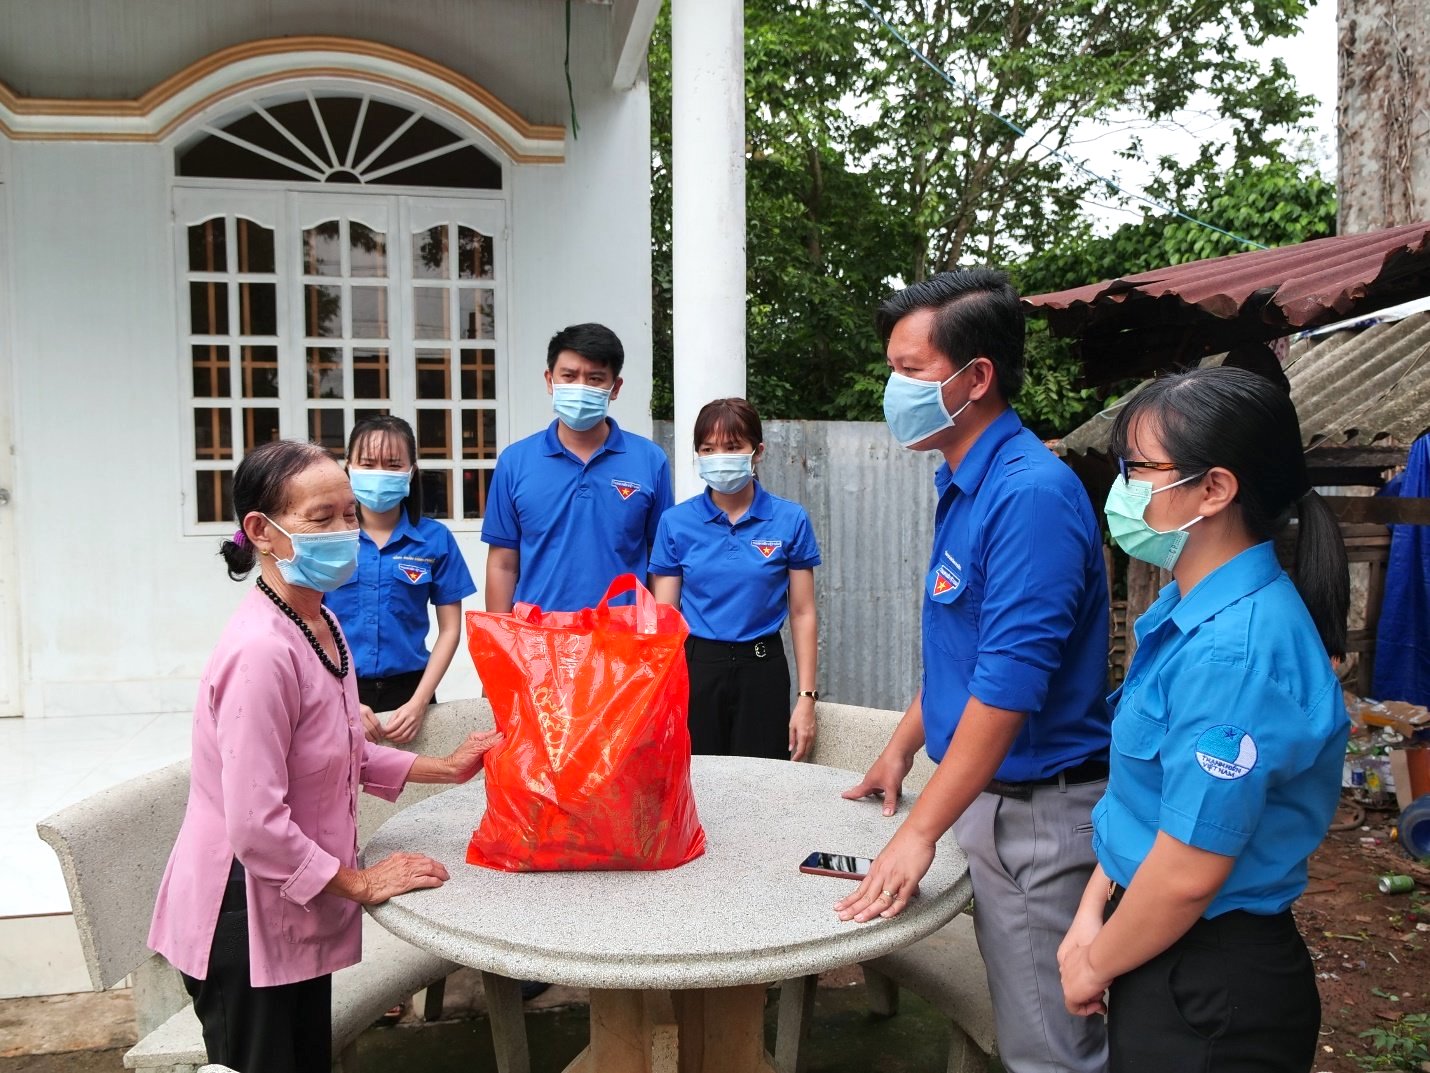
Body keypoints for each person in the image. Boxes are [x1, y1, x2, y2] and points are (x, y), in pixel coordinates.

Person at [148, 439, 503, 1073]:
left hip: (295, 899)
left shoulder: (321, 623)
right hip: (243, 912)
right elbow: (256, 826)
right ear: (262, 530)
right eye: (321, 519)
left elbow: (344, 749)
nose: (345, 533)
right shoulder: (261, 652)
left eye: (348, 515)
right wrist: (361, 884)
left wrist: (446, 769)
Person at [836, 268, 1111, 1073]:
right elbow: (964, 653)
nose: (894, 389)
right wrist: (900, 747)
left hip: (1037, 814)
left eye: (910, 369)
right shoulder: (966, 482)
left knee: (1049, 1051)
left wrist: (918, 832)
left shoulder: (1028, 495)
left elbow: (1007, 688)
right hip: (992, 801)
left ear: (976, 376)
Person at [1058, 366, 1350, 1071]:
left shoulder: (1232, 654)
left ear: (1214, 489)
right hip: (1158, 939)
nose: (1121, 487)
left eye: (1137, 468)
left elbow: (1188, 871)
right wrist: (1093, 911)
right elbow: (1146, 803)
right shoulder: (1186, 611)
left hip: (1207, 983)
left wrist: (1094, 963)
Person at [650, 398, 821, 760]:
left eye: (732, 447)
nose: (719, 457)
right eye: (708, 449)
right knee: (698, 781)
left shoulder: (790, 519)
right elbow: (664, 618)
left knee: (762, 782)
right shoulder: (675, 523)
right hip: (697, 668)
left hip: (763, 668)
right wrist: (657, 693)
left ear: (757, 451)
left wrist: (807, 698)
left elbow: (803, 612)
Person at [482, 322, 674, 613]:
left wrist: (659, 632)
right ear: (550, 381)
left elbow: (660, 560)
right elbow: (503, 564)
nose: (581, 387)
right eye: (569, 376)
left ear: (615, 388)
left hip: (623, 633)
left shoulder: (650, 460)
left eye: (595, 378)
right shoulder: (514, 462)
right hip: (539, 633)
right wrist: (500, 635)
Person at [324, 415, 477, 745]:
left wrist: (419, 703)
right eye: (368, 463)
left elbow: (450, 630)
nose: (379, 473)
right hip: (338, 690)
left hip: (411, 694)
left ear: (411, 471)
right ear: (348, 467)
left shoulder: (435, 539)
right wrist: (343, 697)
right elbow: (305, 625)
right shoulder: (327, 538)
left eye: (393, 464)